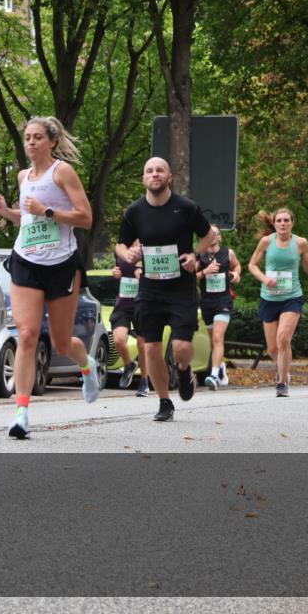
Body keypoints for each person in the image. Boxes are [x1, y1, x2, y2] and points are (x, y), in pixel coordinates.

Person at [0, 116, 99, 440]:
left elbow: (86, 218)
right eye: (27, 137)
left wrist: (47, 211)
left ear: (52, 141)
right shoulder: (23, 176)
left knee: (62, 342)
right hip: (26, 260)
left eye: (37, 137)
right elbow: (28, 219)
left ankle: (87, 365)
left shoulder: (62, 172)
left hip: (61, 263)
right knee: (26, 335)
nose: (31, 142)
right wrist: (6, 213)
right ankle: (21, 413)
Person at [116, 157, 217, 422]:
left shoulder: (186, 207)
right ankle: (164, 402)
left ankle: (183, 370)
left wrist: (195, 254)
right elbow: (120, 244)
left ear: (169, 177)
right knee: (151, 349)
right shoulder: (134, 211)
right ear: (143, 178)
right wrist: (128, 254)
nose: (154, 174)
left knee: (181, 348)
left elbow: (209, 235)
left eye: (160, 170)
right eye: (149, 170)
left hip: (181, 288)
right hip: (150, 289)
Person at [247, 208, 308, 397]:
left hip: (292, 297)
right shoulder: (266, 241)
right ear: (274, 224)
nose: (283, 223)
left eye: (286, 220)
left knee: (283, 339)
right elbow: (252, 265)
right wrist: (265, 279)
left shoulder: (300, 243)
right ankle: (284, 369)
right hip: (269, 298)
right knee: (272, 348)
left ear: (292, 223)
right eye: (279, 220)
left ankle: (282, 383)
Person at [196, 226, 242, 390]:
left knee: (217, 338)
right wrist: (205, 272)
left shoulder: (228, 253)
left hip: (223, 301)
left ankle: (214, 375)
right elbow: (191, 277)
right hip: (207, 302)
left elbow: (237, 266)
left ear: (219, 237)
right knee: (213, 341)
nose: (211, 236)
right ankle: (220, 367)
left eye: (214, 233)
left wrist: (236, 274)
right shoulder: (200, 255)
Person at [109, 240, 151, 396]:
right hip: (123, 303)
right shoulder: (121, 247)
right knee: (119, 339)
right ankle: (129, 365)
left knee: (142, 344)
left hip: (143, 304)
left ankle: (144, 381)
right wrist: (115, 272)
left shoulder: (148, 247)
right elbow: (118, 269)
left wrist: (144, 276)